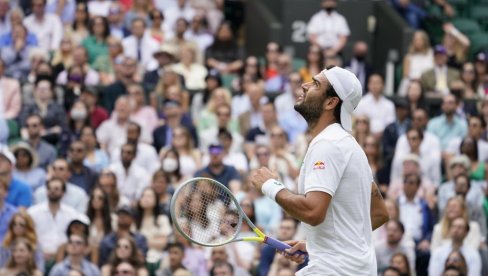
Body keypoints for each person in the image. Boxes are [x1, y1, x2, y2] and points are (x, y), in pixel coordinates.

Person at [250, 66, 389, 274]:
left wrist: (270, 186)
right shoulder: (347, 145)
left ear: (331, 102)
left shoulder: (328, 144)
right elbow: (379, 213)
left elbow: (314, 211)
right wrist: (319, 245)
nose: (305, 85)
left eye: (315, 84)